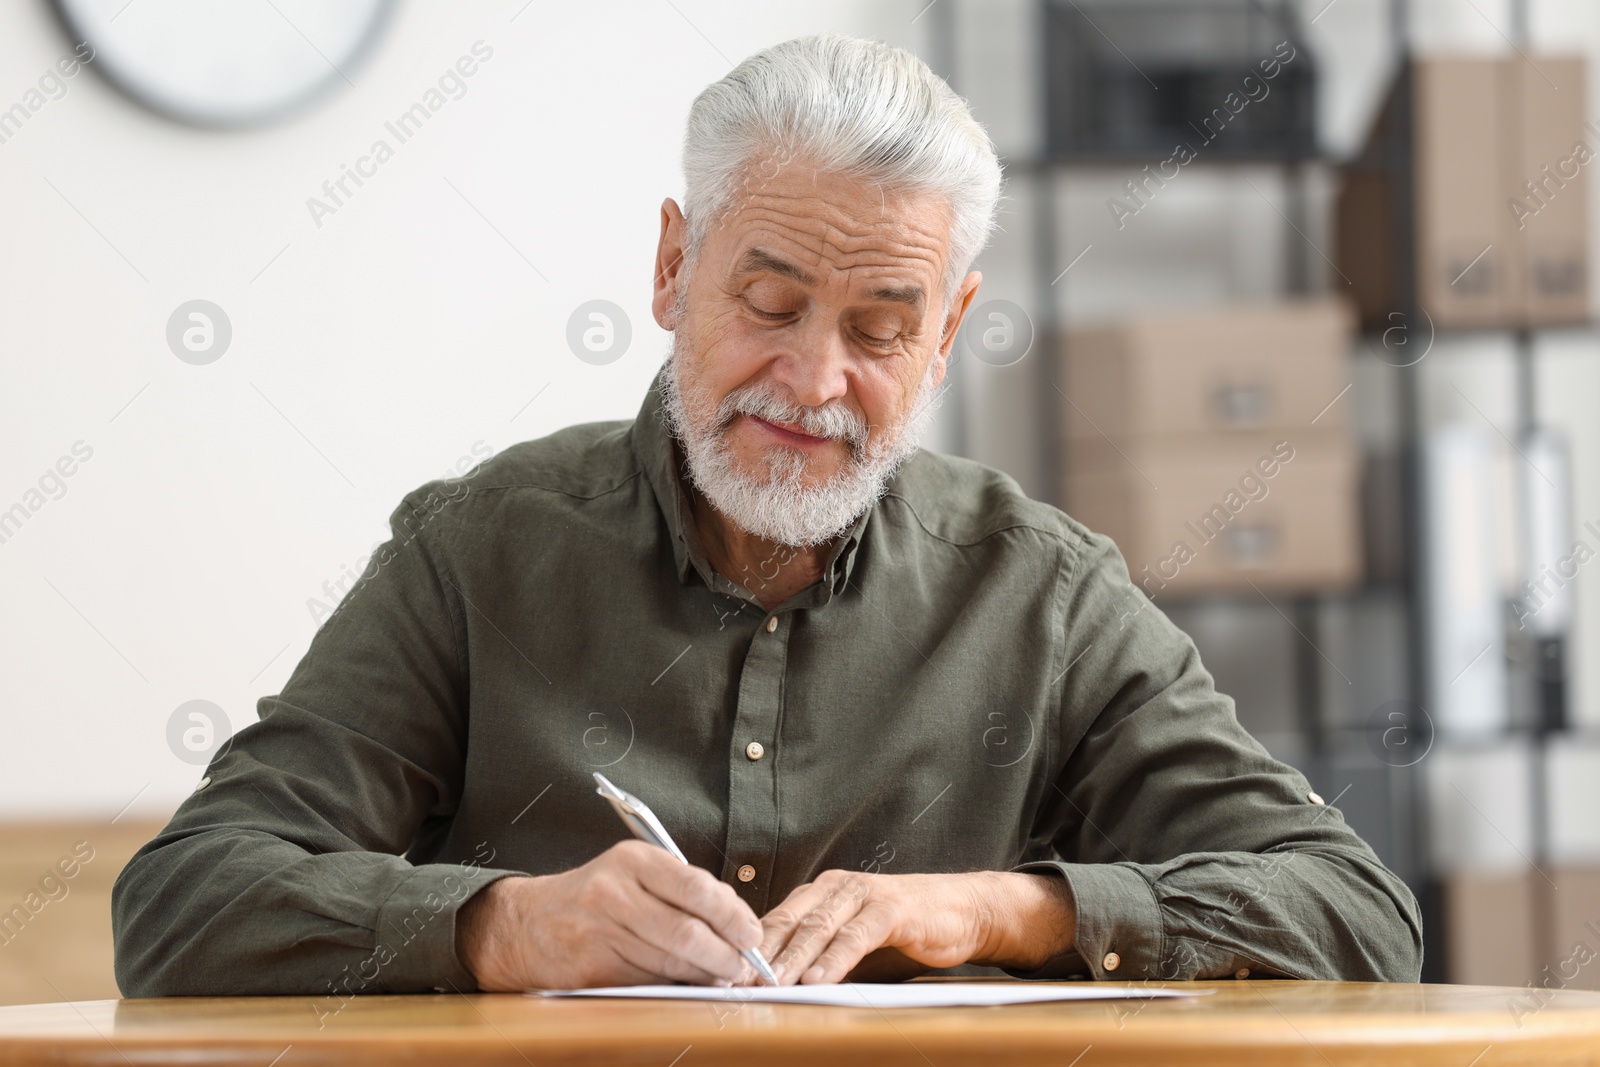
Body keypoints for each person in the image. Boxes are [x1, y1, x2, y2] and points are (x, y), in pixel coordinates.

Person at [113, 33, 1422, 998]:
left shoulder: (1043, 594)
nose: (814, 382)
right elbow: (180, 906)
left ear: (949, 334)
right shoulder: (478, 551)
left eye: (878, 329)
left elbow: (1356, 911)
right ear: (676, 267)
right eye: (773, 303)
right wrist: (502, 926)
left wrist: (1008, 910)